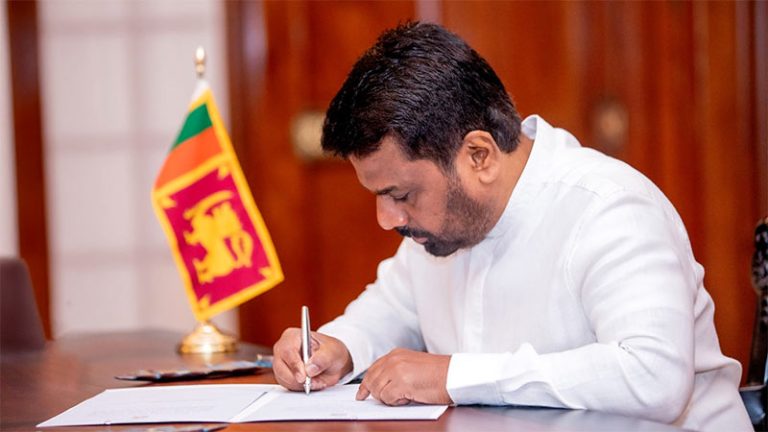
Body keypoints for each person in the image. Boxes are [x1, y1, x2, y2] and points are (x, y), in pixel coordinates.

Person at [272, 21, 751, 431]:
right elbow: (390, 309)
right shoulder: (435, 230)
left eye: (400, 195)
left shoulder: (610, 208)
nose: (387, 219)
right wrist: (336, 348)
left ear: (478, 155)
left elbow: (652, 377)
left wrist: (452, 377)